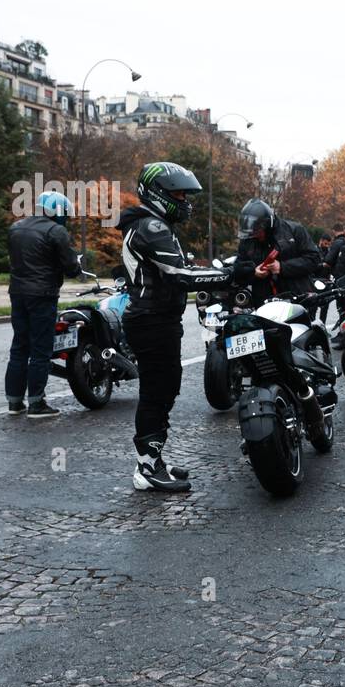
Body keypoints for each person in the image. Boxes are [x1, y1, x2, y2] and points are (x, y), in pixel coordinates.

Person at [117, 162, 233, 493]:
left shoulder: (154, 224)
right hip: (151, 322)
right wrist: (230, 274)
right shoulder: (151, 227)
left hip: (158, 320)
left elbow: (177, 270)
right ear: (158, 194)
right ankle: (147, 468)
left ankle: (154, 459)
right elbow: (179, 276)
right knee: (156, 392)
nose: (185, 201)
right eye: (179, 194)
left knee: (165, 389)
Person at [5, 190, 82, 417]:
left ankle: (14, 401)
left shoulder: (16, 228)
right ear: (58, 211)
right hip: (43, 295)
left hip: (17, 293)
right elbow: (70, 266)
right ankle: (37, 403)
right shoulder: (56, 231)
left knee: (19, 347)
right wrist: (76, 266)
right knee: (40, 349)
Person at [231, 198, 321, 298]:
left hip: (298, 297)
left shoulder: (295, 230)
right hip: (265, 302)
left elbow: (314, 259)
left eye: (257, 231)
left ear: (267, 225)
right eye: (252, 233)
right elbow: (238, 268)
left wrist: (282, 267)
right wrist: (253, 272)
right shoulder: (248, 239)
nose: (255, 236)